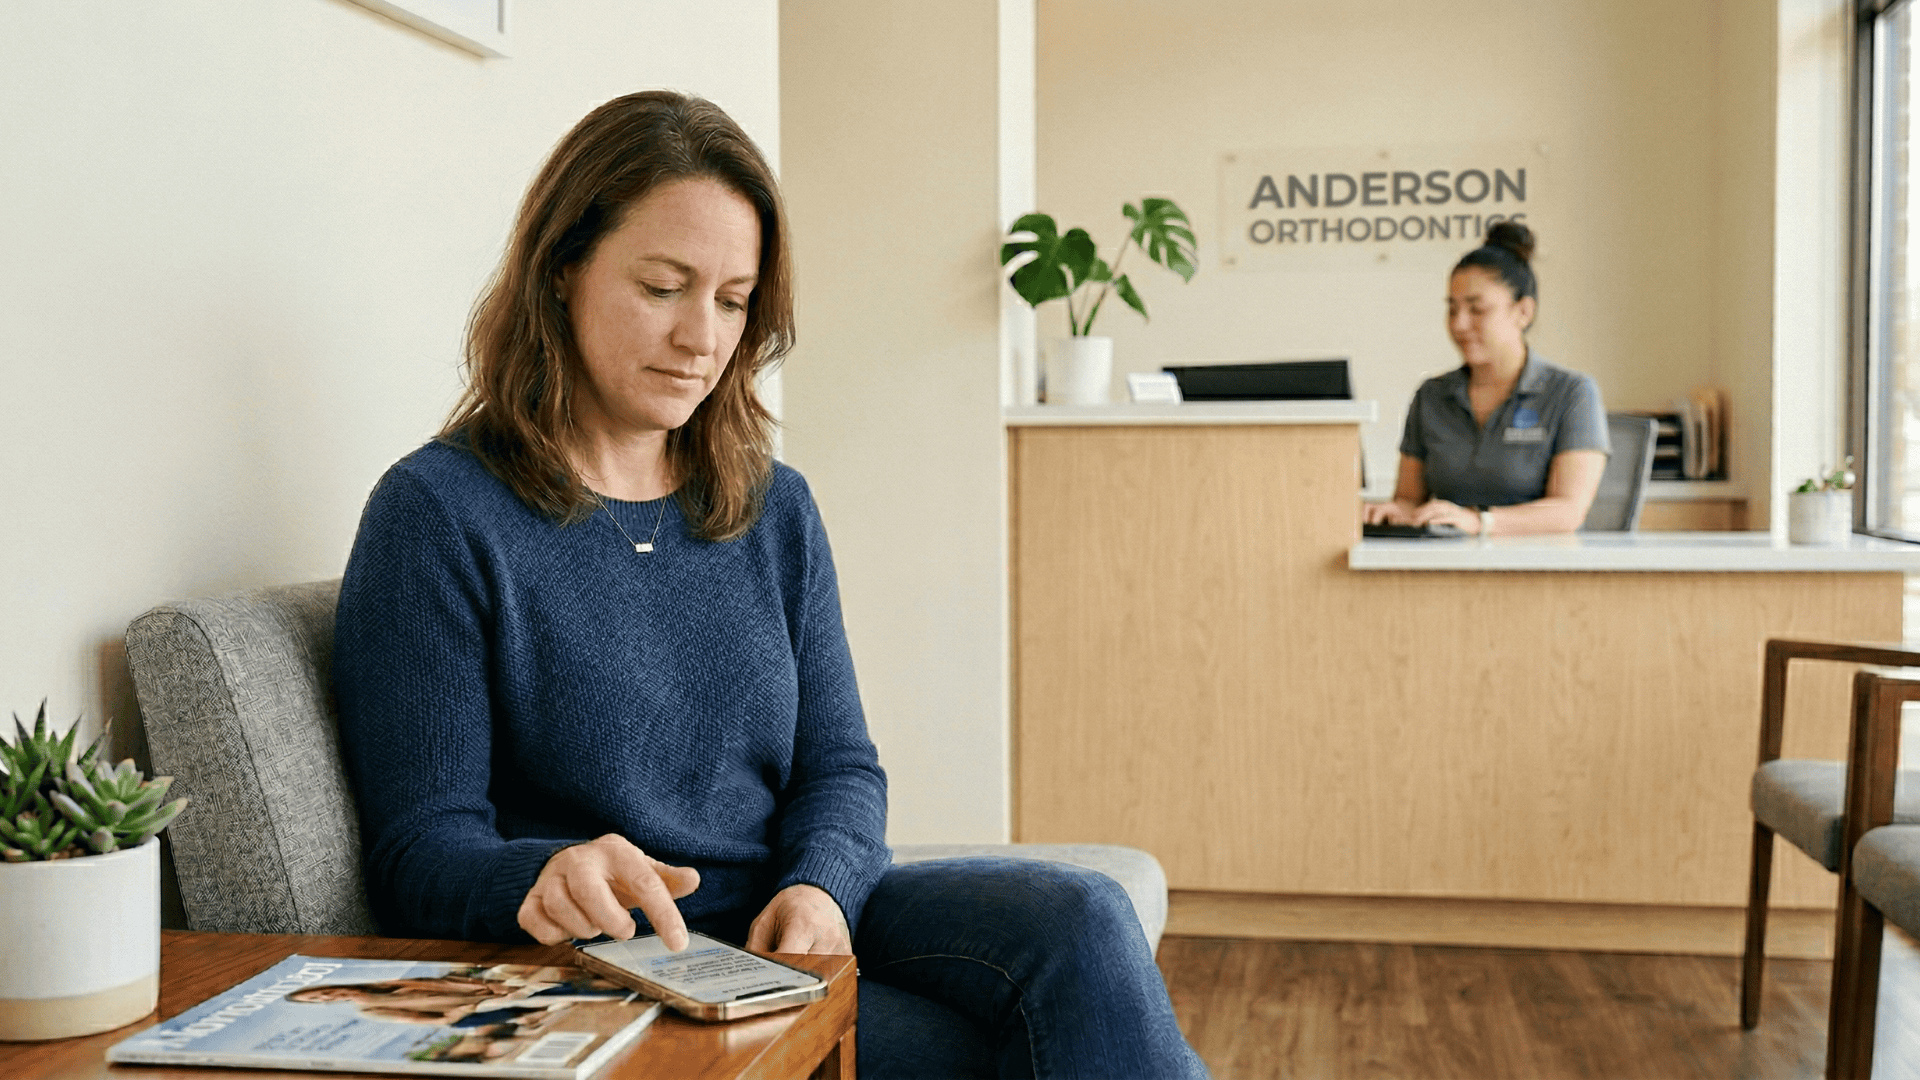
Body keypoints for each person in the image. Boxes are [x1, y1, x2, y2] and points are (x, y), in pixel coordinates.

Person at [330, 90, 1206, 1079]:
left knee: (1083, 916)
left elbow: (839, 765)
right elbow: (419, 850)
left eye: (734, 300)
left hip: (787, 925)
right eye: (663, 286)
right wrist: (537, 873)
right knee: (1017, 1048)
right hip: (632, 965)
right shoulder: (439, 512)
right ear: (562, 270)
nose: (702, 336)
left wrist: (824, 888)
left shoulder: (769, 504)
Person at [1363, 222, 1609, 535]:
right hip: (1446, 569)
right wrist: (1389, 512)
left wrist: (1479, 522)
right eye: (1452, 310)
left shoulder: (1572, 393)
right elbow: (1410, 500)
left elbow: (1567, 511)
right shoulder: (1432, 395)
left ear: (1523, 312)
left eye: (1476, 310)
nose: (1459, 324)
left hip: (1541, 571)